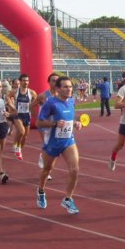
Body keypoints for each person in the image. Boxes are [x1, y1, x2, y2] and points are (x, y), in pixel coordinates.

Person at [35, 76, 83, 214]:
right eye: (65, 87)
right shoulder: (50, 103)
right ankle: (41, 191)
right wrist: (55, 123)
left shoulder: (72, 101)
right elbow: (39, 123)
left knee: (74, 169)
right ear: (57, 89)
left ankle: (68, 199)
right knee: (47, 170)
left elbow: (69, 118)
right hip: (52, 142)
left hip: (68, 140)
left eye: (70, 86)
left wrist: (76, 123)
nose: (69, 89)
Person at [30, 73, 60, 180]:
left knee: (54, 148)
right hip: (45, 125)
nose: (55, 82)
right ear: (49, 82)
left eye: (57, 80)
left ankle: (43, 157)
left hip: (56, 125)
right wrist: (36, 116)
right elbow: (31, 105)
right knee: (48, 145)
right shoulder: (43, 96)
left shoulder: (61, 96)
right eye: (53, 80)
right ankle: (47, 171)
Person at [9, 74, 37, 161]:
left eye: (27, 80)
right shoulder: (15, 91)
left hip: (27, 115)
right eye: (24, 80)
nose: (26, 82)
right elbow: (7, 97)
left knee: (25, 136)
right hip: (18, 115)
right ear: (20, 81)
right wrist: (12, 107)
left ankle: (19, 148)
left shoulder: (32, 92)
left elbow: (36, 102)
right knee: (21, 131)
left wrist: (35, 114)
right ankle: (16, 147)